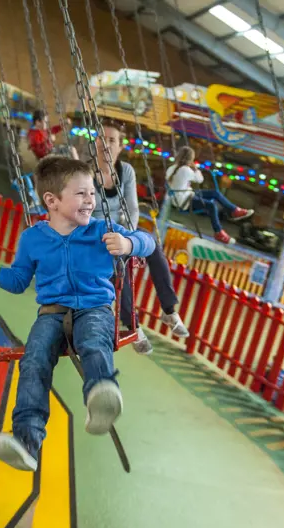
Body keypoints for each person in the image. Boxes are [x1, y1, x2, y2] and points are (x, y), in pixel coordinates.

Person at [0, 156, 155, 472]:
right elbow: (18, 281)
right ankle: (27, 441)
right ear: (52, 201)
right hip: (51, 313)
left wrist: (127, 242)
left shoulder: (103, 231)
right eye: (81, 193)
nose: (91, 200)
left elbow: (147, 243)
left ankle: (100, 397)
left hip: (94, 307)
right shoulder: (33, 239)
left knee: (94, 340)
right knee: (34, 359)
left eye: (92, 193)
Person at [89, 117, 190, 355]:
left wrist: (130, 238)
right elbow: (85, 213)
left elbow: (133, 208)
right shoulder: (85, 173)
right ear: (95, 144)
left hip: (125, 229)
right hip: (97, 234)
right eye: (102, 139)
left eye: (112, 140)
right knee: (118, 268)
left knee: (152, 244)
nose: (107, 145)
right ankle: (132, 325)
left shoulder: (126, 172)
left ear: (120, 145)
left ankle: (169, 309)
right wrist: (115, 239)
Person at [165, 146, 254, 244]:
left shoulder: (171, 168)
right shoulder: (186, 170)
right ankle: (218, 231)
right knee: (211, 205)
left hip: (182, 197)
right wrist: (195, 168)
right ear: (190, 159)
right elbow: (200, 179)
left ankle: (234, 210)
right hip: (185, 200)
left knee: (214, 193)